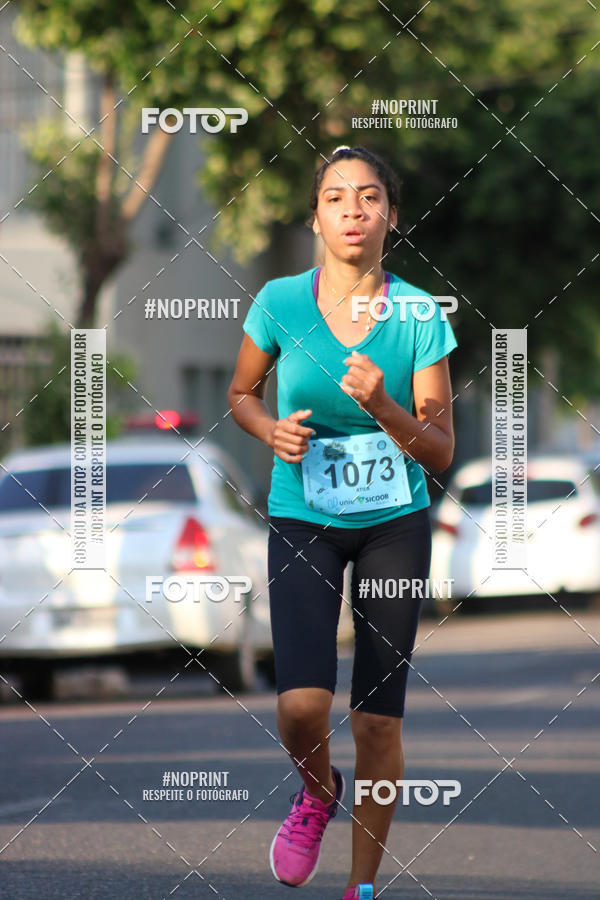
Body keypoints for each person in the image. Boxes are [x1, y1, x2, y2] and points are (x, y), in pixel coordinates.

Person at [228, 145, 457, 899]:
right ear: (315, 218)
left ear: (392, 214)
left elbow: (440, 449)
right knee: (301, 708)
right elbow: (241, 393)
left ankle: (361, 887)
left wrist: (385, 405)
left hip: (395, 524)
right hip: (304, 516)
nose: (352, 210)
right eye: (335, 197)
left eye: (368, 196)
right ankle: (318, 790)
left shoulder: (419, 314)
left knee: (377, 723)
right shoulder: (280, 302)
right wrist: (270, 431)